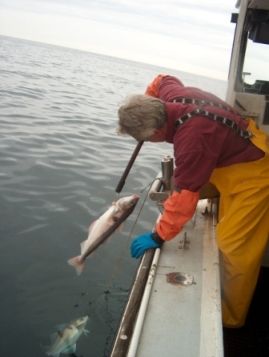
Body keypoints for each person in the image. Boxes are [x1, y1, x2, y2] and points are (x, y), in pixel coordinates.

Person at [117, 74, 269, 328]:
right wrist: (145, 101)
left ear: (156, 132)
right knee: (182, 184)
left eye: (146, 138)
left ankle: (231, 318)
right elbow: (161, 79)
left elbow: (185, 201)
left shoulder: (191, 141)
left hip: (254, 175)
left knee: (233, 245)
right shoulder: (169, 98)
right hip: (227, 157)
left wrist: (157, 237)